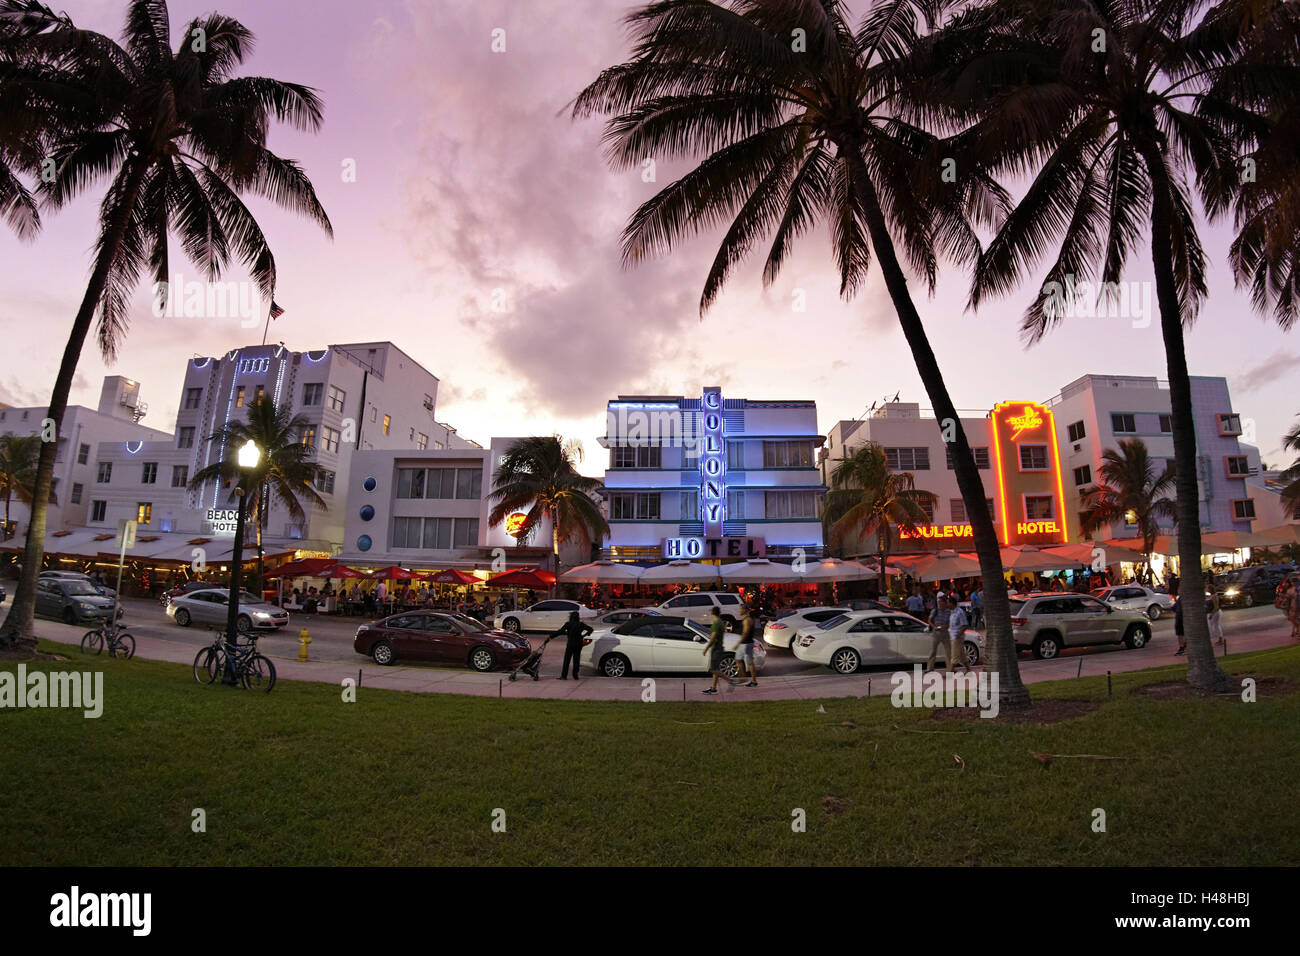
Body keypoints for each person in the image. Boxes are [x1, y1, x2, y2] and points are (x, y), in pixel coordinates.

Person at [551, 610, 593, 680]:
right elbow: (591, 629)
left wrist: (551, 637)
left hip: (570, 644)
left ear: (571, 617)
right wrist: (584, 635)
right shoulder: (581, 624)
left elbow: (560, 631)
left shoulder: (568, 624)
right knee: (576, 659)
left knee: (567, 660)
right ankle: (575, 675)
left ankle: (564, 676)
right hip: (579, 643)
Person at [702, 606, 731, 694]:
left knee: (713, 669)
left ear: (712, 613)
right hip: (719, 647)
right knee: (716, 669)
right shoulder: (721, 622)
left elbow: (713, 637)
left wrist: (706, 649)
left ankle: (730, 681)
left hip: (716, 648)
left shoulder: (716, 623)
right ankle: (713, 688)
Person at [734, 604, 760, 687]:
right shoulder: (749, 619)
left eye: (740, 609)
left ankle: (752, 680)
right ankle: (743, 678)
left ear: (745, 610)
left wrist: (738, 643)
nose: (739, 611)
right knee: (739, 660)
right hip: (747, 643)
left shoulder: (746, 620)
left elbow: (745, 633)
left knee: (748, 662)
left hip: (746, 644)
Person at [927, 595, 953, 672]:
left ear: (945, 603)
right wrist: (934, 627)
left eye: (941, 602)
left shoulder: (949, 611)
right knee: (932, 651)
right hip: (936, 633)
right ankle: (930, 668)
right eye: (938, 602)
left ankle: (949, 669)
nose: (939, 604)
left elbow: (950, 622)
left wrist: (947, 626)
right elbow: (929, 620)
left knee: (948, 652)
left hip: (945, 634)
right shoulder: (935, 610)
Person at [948, 598, 970, 673]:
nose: (947, 604)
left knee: (954, 654)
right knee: (961, 655)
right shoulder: (951, 612)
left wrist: (959, 634)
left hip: (957, 637)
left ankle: (951, 671)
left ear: (952, 603)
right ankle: (968, 669)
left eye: (948, 603)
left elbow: (965, 625)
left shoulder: (959, 612)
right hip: (953, 636)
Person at [1207, 580, 1224, 648]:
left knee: (1215, 625)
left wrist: (1212, 614)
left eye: (1207, 588)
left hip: (1215, 612)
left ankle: (1220, 638)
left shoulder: (1214, 596)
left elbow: (1216, 606)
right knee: (1215, 625)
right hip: (1214, 612)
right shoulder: (1212, 596)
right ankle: (1219, 638)